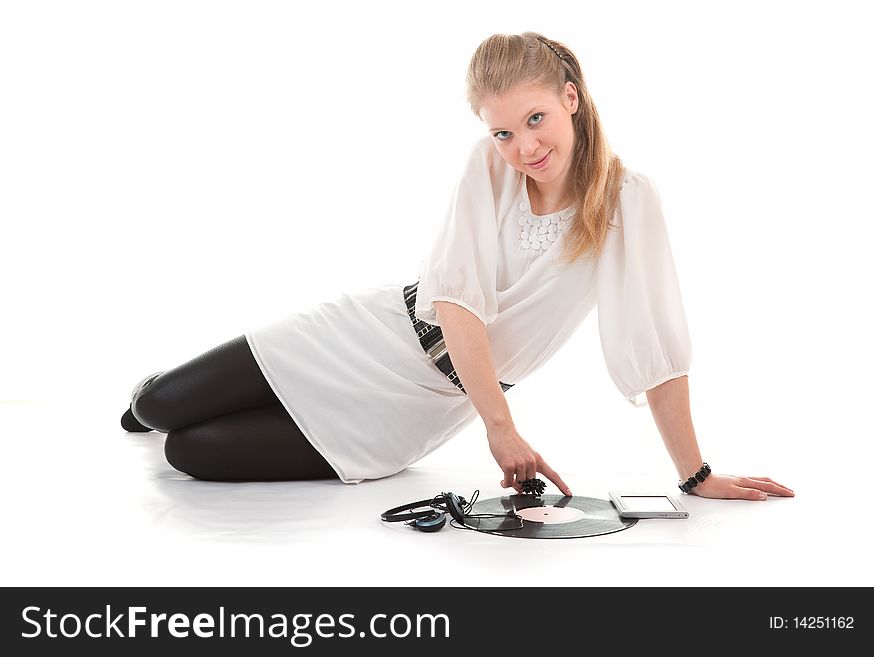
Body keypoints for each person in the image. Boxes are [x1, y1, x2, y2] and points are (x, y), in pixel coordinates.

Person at [121, 31, 794, 502]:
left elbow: (656, 347)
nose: (522, 146)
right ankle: (173, 387)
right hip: (371, 332)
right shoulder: (487, 169)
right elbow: (457, 301)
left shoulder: (627, 202)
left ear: (571, 97)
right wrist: (501, 429)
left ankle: (217, 400)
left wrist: (695, 473)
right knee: (155, 405)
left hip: (419, 405)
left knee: (188, 454)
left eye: (534, 119)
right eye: (502, 131)